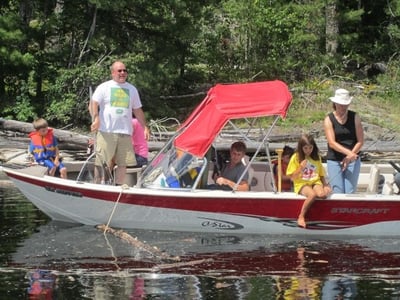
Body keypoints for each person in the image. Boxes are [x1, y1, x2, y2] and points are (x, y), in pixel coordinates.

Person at [89, 60, 150, 185]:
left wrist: (145, 127)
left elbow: (137, 110)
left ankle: (118, 186)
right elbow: (93, 103)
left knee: (123, 162)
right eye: (119, 70)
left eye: (124, 70)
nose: (122, 73)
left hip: (125, 132)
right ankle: (98, 184)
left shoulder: (132, 89)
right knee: (102, 161)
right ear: (113, 73)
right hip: (107, 131)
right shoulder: (104, 87)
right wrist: (96, 118)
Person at [324, 88, 364, 193]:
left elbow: (360, 141)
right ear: (335, 103)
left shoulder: (355, 117)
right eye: (341, 104)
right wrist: (348, 153)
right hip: (334, 158)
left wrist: (350, 157)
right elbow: (332, 143)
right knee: (337, 190)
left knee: (350, 190)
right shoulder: (329, 119)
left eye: (345, 104)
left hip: (352, 157)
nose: (343, 107)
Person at [286, 134, 331, 228]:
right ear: (301, 147)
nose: (308, 150)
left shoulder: (316, 157)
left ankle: (319, 215)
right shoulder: (296, 157)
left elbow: (321, 174)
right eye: (305, 148)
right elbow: (292, 177)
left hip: (315, 181)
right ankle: (301, 216)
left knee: (322, 194)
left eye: (310, 148)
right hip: (301, 183)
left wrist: (325, 185)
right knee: (312, 195)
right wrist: (301, 167)